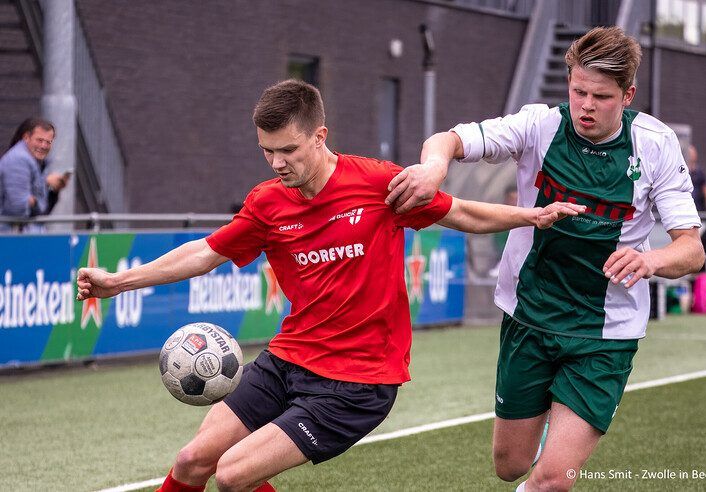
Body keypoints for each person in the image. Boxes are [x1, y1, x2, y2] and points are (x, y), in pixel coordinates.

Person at [76, 80, 583, 492]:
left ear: (321, 136)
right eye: (267, 152)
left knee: (232, 476)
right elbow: (205, 252)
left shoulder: (379, 184)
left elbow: (465, 213)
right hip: (288, 359)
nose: (277, 164)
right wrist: (117, 282)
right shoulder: (266, 203)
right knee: (192, 462)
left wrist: (535, 215)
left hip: (358, 383)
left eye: (288, 150)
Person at [386, 27, 705, 491]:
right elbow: (449, 139)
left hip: (604, 332)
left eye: (601, 96)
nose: (586, 105)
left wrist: (650, 261)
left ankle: (557, 454)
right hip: (530, 317)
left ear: (628, 95)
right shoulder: (539, 124)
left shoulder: (655, 145)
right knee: (510, 465)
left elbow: (691, 248)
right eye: (578, 91)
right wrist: (435, 168)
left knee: (553, 481)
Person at [7, 118, 70, 216]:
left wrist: (54, 190)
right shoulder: (17, 160)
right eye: (39, 140)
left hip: (29, 229)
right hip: (12, 230)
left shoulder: (40, 165)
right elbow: (18, 208)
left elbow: (42, 213)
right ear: (26, 138)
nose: (44, 146)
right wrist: (44, 181)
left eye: (48, 142)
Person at [687, 144, 706, 212]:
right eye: (690, 154)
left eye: (693, 154)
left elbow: (705, 188)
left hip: (698, 206)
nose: (691, 156)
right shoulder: (682, 171)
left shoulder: (700, 172)